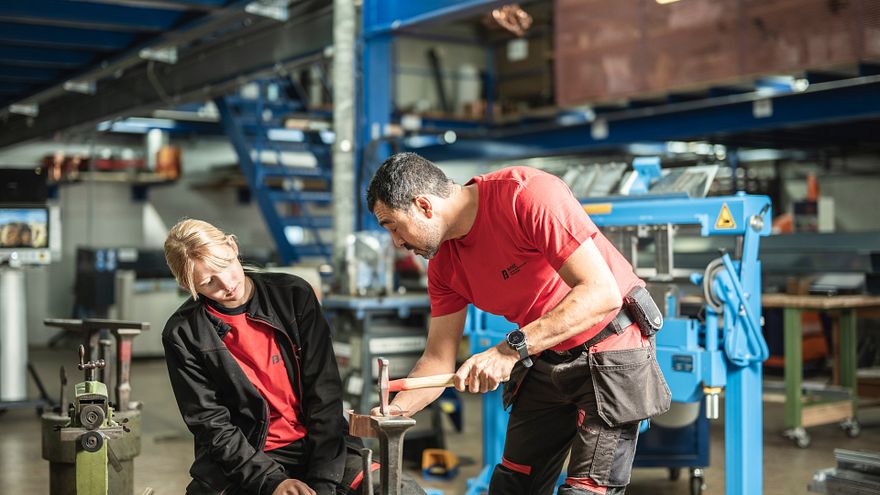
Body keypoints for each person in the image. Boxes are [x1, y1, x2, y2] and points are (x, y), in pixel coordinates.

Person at [366, 153, 671, 495]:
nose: (397, 243)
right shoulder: (443, 267)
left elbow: (601, 294)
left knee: (584, 491)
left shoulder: (524, 194)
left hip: (612, 344)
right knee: (514, 485)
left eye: (393, 226)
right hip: (547, 351)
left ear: (424, 205)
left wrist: (507, 351)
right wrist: (391, 413)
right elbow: (438, 359)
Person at [162, 219, 424, 495]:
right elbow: (212, 427)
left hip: (320, 447)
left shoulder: (292, 295)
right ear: (186, 284)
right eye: (208, 282)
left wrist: (324, 483)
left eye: (226, 264)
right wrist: (272, 481)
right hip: (246, 459)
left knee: (402, 490)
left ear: (233, 245)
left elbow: (325, 392)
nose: (227, 284)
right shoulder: (184, 334)